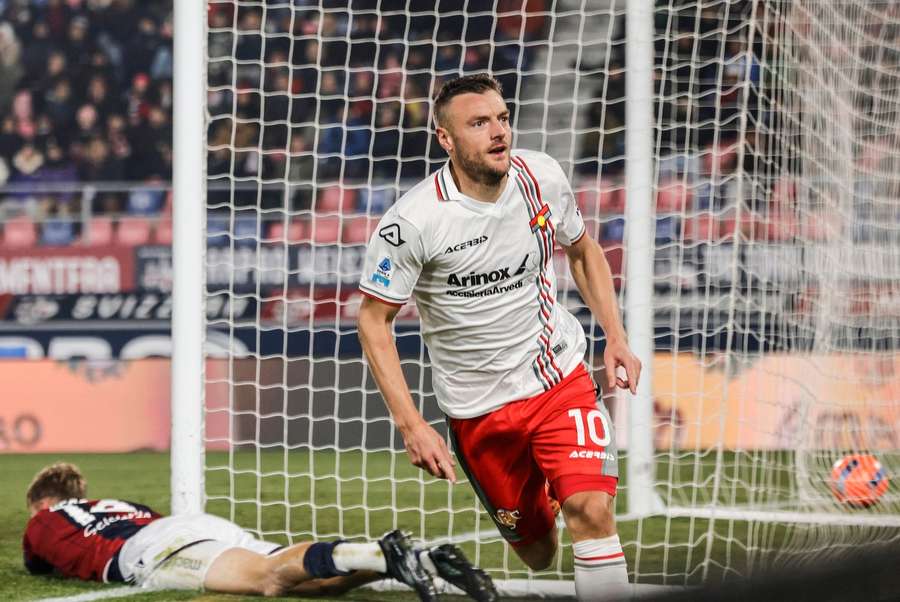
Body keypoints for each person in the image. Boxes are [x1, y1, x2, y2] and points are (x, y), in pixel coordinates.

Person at [357, 73, 641, 602]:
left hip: (558, 379)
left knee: (591, 512)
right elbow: (374, 321)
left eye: (503, 118)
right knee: (539, 552)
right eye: (479, 123)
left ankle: (570, 481)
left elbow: (582, 251)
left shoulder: (541, 177)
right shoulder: (413, 222)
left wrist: (616, 336)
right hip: (478, 409)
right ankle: (547, 488)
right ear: (446, 138)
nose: (499, 132)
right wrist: (412, 425)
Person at [22, 462, 498, 601]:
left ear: (43, 502)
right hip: (191, 527)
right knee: (319, 585)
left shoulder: (44, 520)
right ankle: (422, 558)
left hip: (156, 548)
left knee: (268, 579)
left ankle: (383, 553)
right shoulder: (125, 505)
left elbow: (36, 565)